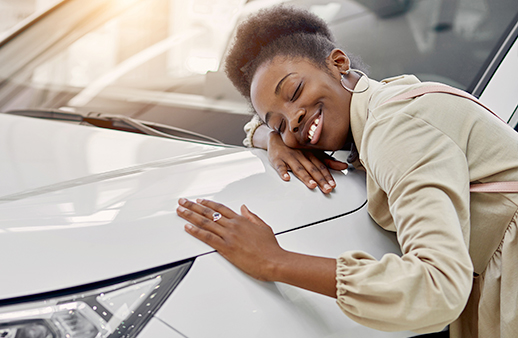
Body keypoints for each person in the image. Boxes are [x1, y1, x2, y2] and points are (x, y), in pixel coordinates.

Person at [175, 5, 518, 338]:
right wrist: (270, 138)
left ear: (338, 62)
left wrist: (273, 261)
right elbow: (260, 124)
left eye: (294, 92)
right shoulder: (379, 102)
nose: (292, 120)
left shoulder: (394, 129)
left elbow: (437, 287)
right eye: (279, 123)